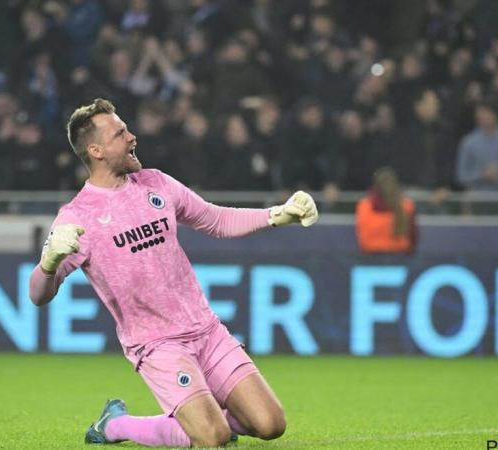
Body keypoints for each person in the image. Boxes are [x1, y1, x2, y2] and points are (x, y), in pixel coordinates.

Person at [28, 98, 318, 448]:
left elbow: (215, 219)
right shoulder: (78, 216)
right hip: (157, 344)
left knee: (271, 424)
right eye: (120, 133)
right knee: (212, 438)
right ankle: (117, 425)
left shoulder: (156, 183)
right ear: (97, 150)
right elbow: (37, 294)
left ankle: (202, 420)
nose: (132, 136)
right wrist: (49, 263)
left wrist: (276, 215)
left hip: (206, 331)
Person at [355, 167, 417, 254]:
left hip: (371, 258)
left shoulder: (364, 205)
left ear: (376, 186)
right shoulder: (407, 205)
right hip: (400, 258)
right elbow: (413, 238)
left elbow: (361, 237)